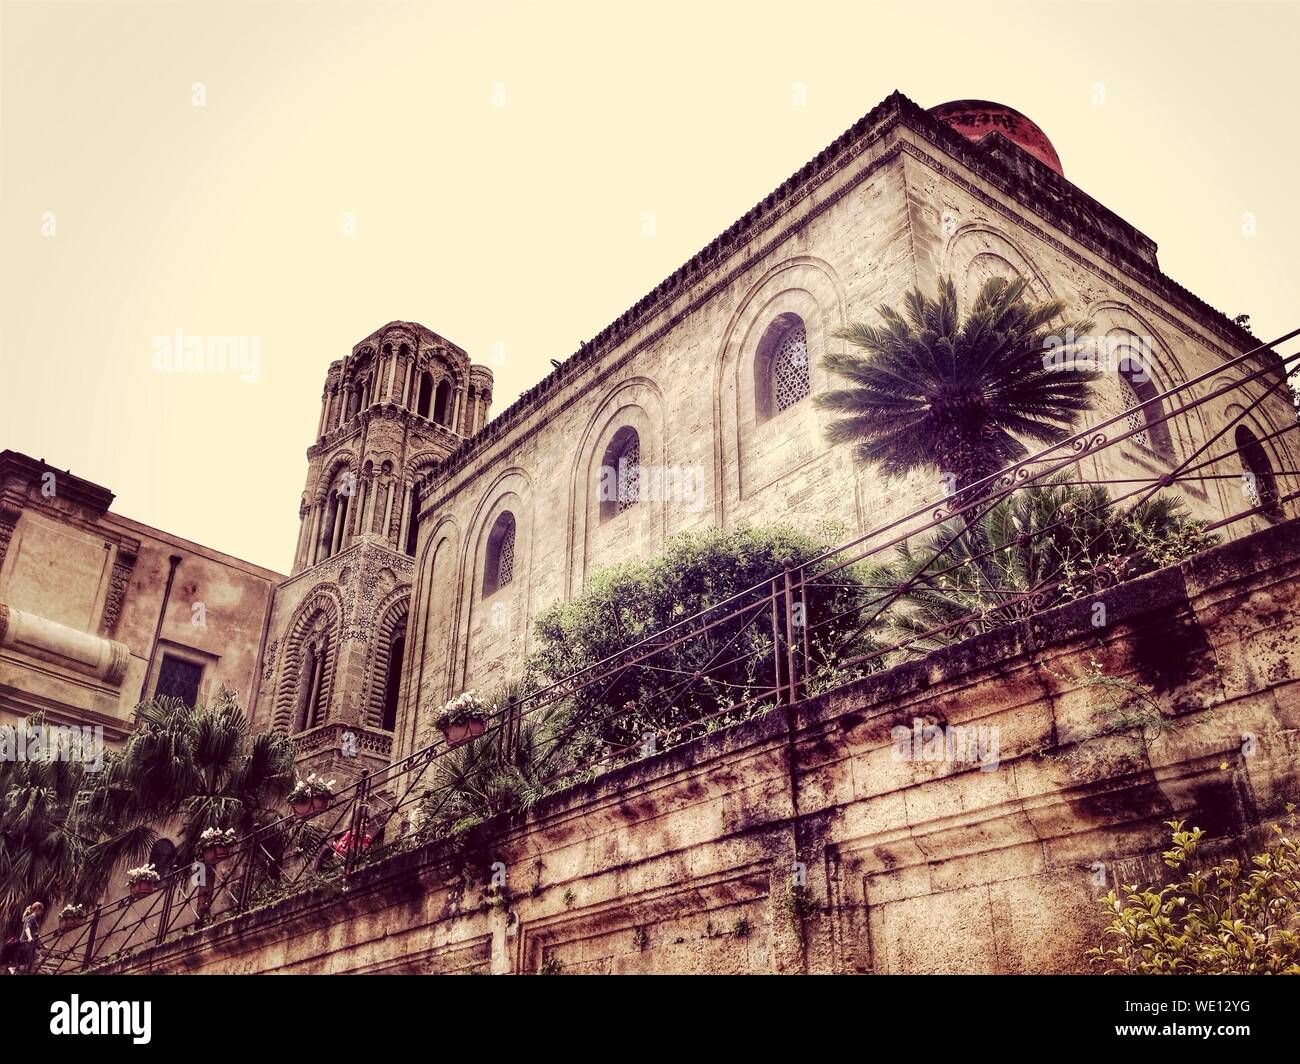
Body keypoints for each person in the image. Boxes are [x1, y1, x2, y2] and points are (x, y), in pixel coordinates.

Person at [16, 902, 44, 975]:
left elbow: (36, 934)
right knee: (35, 959)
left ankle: (27, 970)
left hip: (29, 945)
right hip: (26, 944)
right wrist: (29, 937)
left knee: (32, 960)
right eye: (41, 910)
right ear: (37, 909)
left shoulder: (30, 918)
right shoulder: (31, 917)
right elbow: (27, 928)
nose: (42, 912)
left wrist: (42, 945)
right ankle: (26, 971)